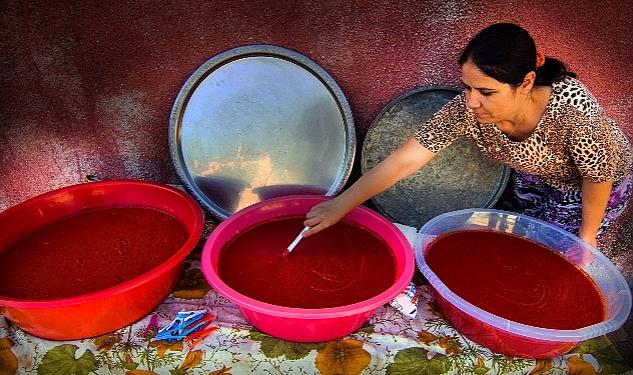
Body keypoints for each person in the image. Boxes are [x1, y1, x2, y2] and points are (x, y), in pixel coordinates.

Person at [303, 22, 632, 249]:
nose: (471, 101)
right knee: (517, 237)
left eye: (486, 92)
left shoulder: (577, 117)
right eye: (467, 87)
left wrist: (587, 237)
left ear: (527, 82)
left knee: (560, 251)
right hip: (538, 171)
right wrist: (341, 204)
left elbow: (597, 176)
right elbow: (407, 158)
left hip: (593, 184)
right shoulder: (468, 107)